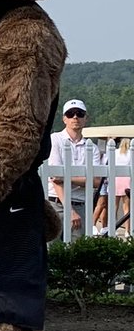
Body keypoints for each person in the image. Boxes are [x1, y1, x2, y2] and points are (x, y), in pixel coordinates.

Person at [46, 99, 101, 238]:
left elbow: (96, 181)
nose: (75, 117)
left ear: (85, 119)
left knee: (77, 252)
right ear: (64, 119)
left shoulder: (91, 148)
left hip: (81, 205)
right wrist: (70, 210)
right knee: (53, 251)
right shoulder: (55, 139)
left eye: (79, 113)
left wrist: (66, 178)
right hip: (56, 203)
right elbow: (54, 179)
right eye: (70, 114)